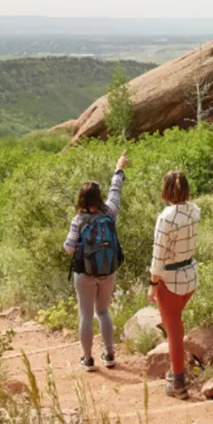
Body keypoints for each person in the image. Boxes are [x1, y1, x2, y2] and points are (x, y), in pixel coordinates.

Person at [63, 151, 129, 371]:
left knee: (86, 315)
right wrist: (119, 167)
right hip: (108, 271)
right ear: (99, 198)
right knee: (103, 312)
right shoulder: (109, 213)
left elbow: (69, 248)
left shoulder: (79, 219)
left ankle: (88, 359)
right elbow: (116, 190)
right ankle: (109, 354)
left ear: (81, 199)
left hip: (85, 274)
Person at [148, 170, 200, 398]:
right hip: (189, 276)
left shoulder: (166, 217)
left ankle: (178, 383)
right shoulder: (195, 210)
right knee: (175, 327)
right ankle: (175, 372)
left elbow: (158, 256)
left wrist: (152, 282)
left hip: (169, 279)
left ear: (166, 190)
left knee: (175, 332)